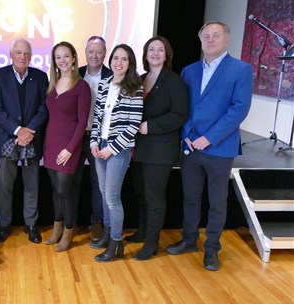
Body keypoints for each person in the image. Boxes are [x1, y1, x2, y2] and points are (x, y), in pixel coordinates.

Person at [165, 21, 253, 271]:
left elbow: (239, 109)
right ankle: (190, 240)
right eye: (206, 36)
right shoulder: (189, 70)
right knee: (190, 197)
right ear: (200, 39)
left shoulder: (241, 69)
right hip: (191, 145)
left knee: (217, 201)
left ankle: (212, 248)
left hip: (219, 148)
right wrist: (188, 133)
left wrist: (210, 137)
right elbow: (183, 107)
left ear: (226, 39)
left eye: (216, 36)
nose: (210, 40)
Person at [129, 36, 189, 260]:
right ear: (145, 54)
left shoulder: (174, 81)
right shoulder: (140, 79)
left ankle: (152, 244)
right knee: (141, 194)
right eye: (151, 49)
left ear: (167, 55)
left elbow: (179, 115)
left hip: (160, 150)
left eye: (160, 50)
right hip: (140, 148)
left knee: (154, 197)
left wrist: (151, 125)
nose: (155, 53)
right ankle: (143, 232)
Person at [0, 38, 48, 244]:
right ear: (10, 54)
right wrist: (17, 131)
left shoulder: (41, 77)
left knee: (32, 185)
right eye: (18, 53)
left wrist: (27, 132)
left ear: (31, 56)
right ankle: (4, 225)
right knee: (5, 186)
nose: (22, 57)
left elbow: (44, 109)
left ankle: (31, 224)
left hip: (31, 139)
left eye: (26, 53)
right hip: (8, 139)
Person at [90, 44, 143, 262]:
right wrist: (94, 142)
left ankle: (115, 243)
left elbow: (133, 125)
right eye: (116, 58)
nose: (118, 63)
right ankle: (107, 234)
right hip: (100, 145)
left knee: (112, 197)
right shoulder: (103, 84)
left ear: (130, 64)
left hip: (118, 150)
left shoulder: (134, 87)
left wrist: (111, 149)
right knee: (104, 193)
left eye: (124, 59)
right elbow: (97, 117)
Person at [43, 41, 91, 252]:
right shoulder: (52, 84)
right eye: (58, 57)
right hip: (50, 143)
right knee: (55, 189)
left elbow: (82, 122)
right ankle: (57, 228)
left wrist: (70, 149)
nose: (62, 60)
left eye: (65, 56)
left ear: (73, 58)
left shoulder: (81, 86)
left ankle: (69, 231)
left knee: (65, 190)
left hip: (68, 147)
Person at [74, 36, 112, 241]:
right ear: (85, 52)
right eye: (91, 51)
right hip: (76, 137)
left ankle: (96, 222)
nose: (94, 56)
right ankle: (73, 222)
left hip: (99, 138)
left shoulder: (114, 75)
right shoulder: (75, 74)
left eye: (99, 52)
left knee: (99, 183)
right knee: (72, 180)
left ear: (104, 54)